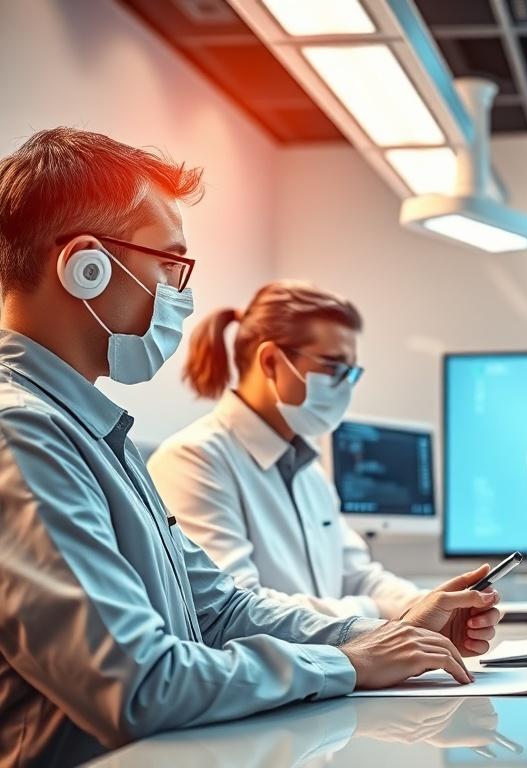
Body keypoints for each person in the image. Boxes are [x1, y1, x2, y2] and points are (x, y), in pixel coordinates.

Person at [0, 128, 498, 767]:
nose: (180, 293)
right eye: (170, 264)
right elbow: (140, 683)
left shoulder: (95, 434)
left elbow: (218, 609)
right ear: (85, 267)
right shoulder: (22, 434)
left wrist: (387, 632)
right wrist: (348, 662)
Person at [150, 282, 481, 626]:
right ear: (271, 361)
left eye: (351, 372)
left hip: (332, 658)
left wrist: (436, 606)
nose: (345, 386)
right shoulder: (194, 461)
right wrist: (381, 613)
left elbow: (358, 576)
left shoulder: (309, 471)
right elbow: (237, 611)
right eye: (333, 367)